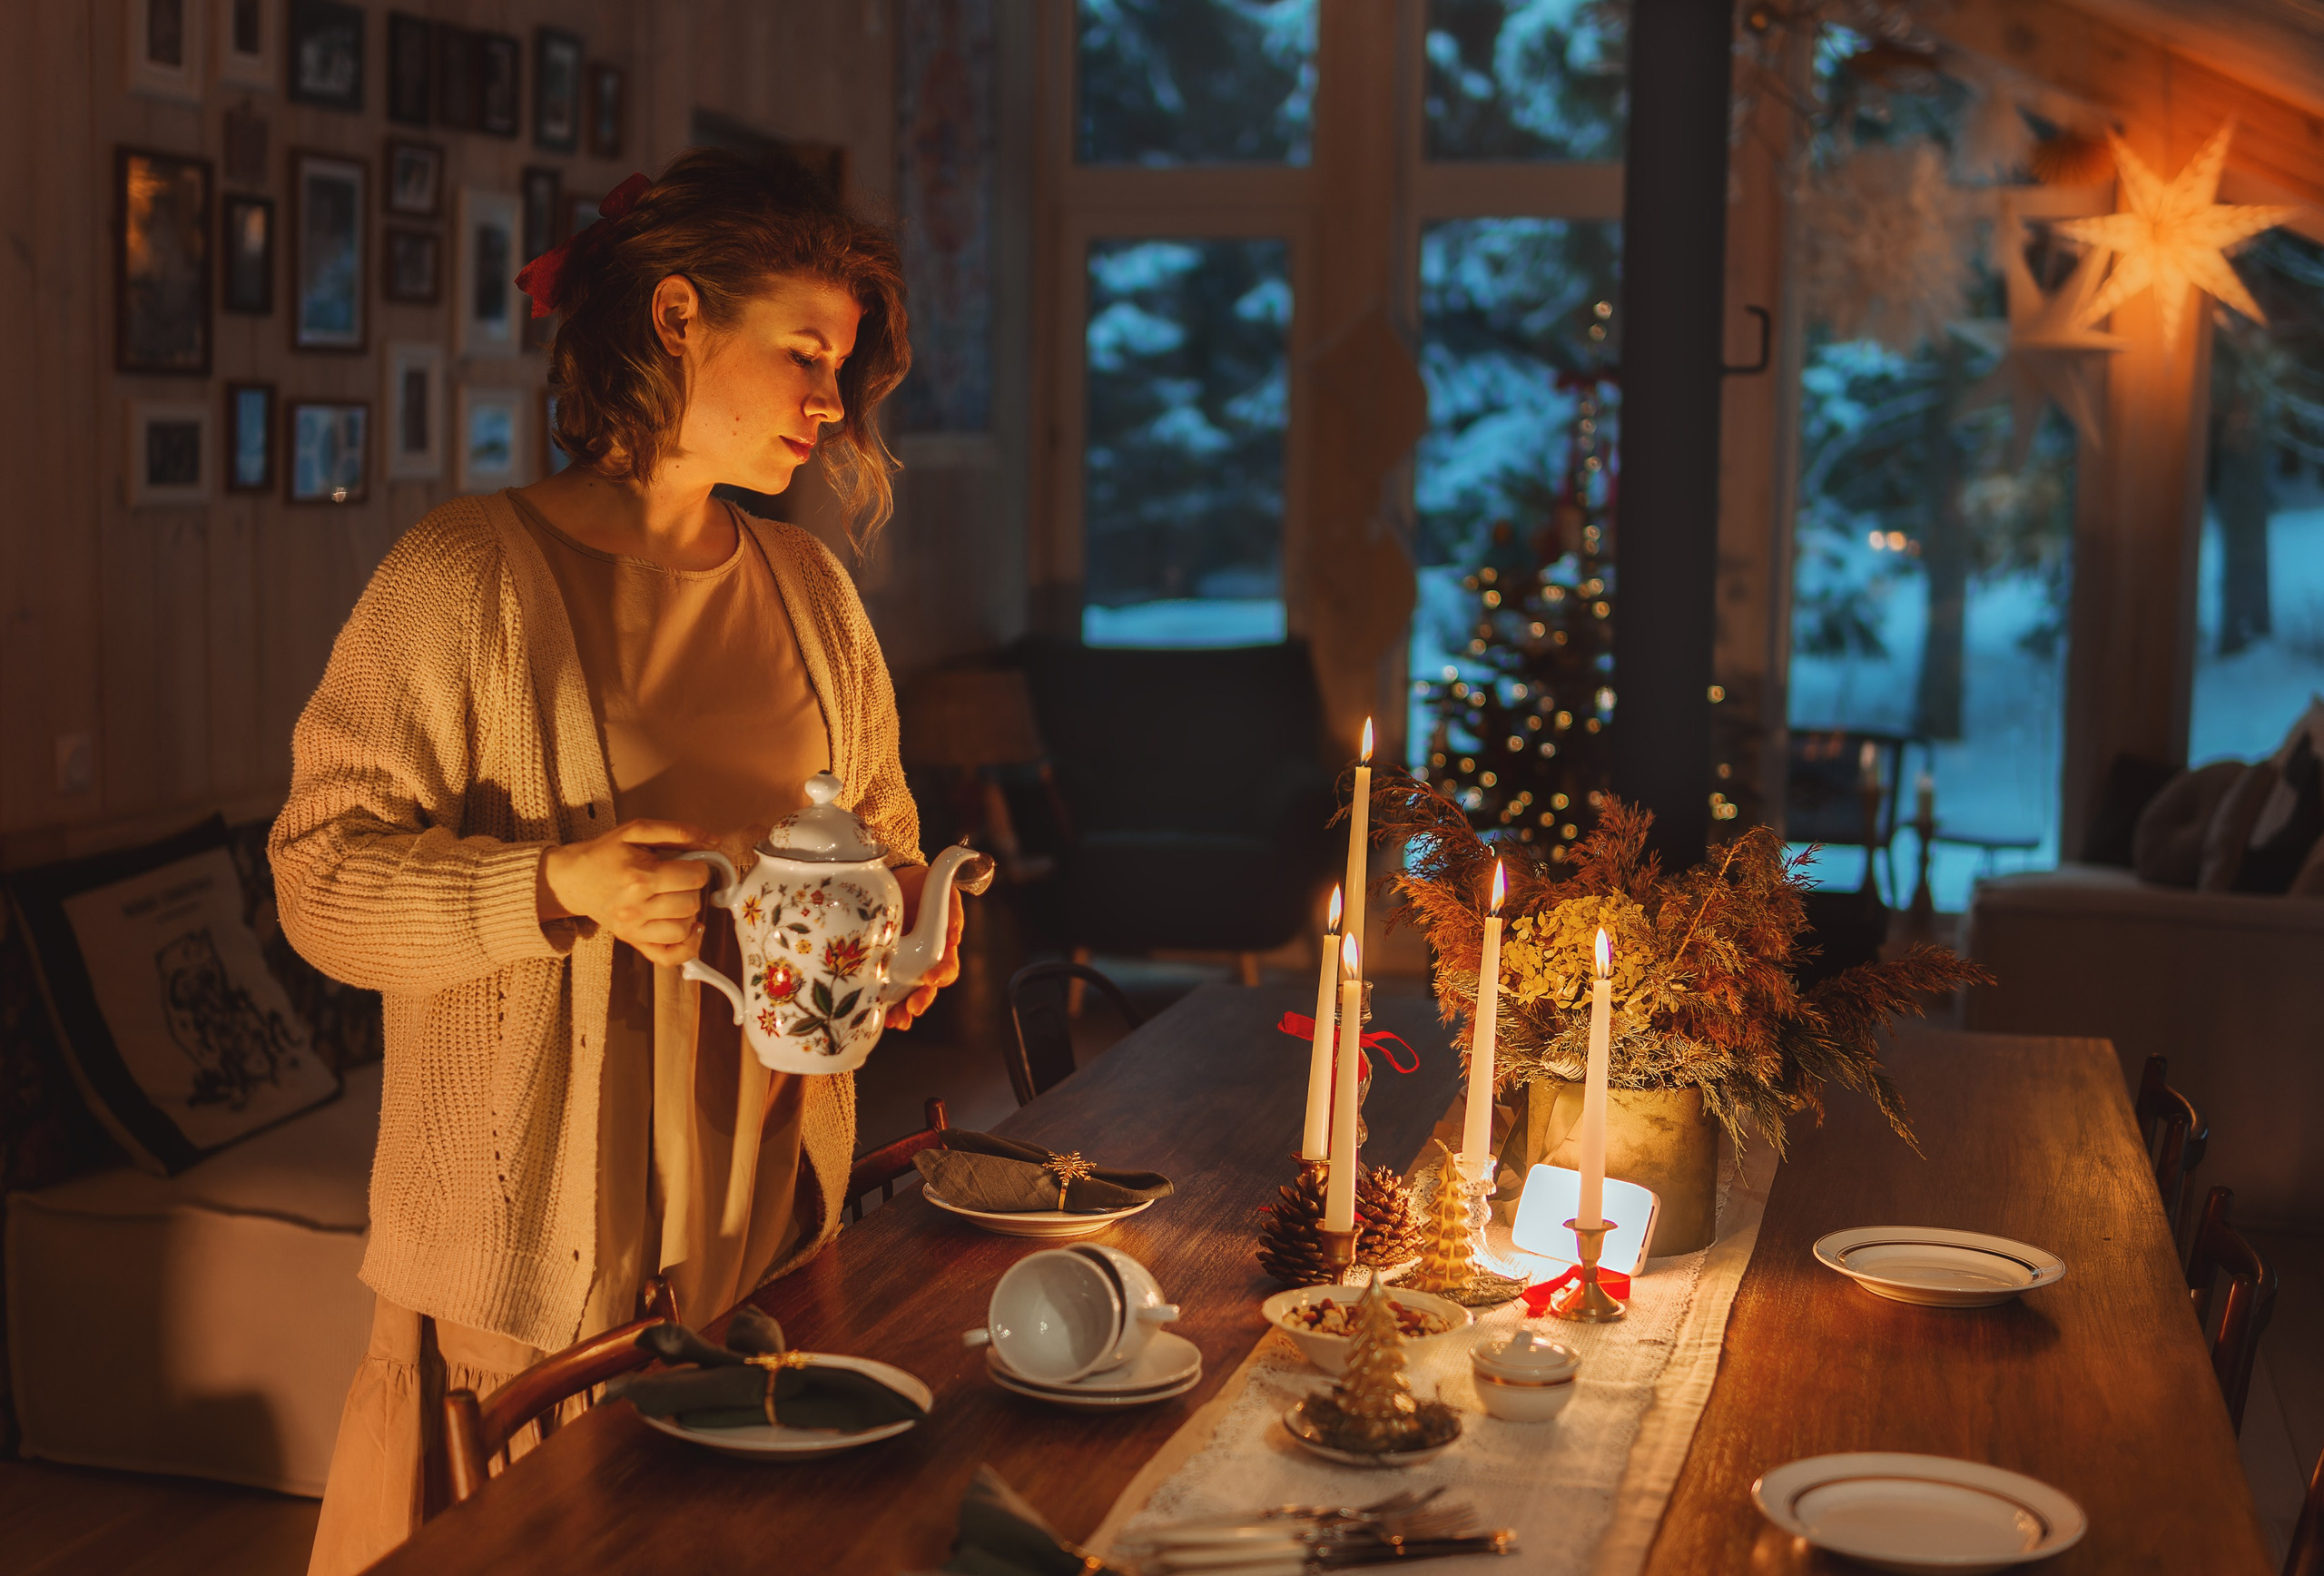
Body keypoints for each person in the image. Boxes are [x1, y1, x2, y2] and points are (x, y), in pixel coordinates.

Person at [273, 149, 957, 1574]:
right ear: (676, 318)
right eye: (807, 353)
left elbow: (879, 828)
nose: (832, 401)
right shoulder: (461, 578)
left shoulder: (810, 589)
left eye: (842, 364)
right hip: (536, 1262)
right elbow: (320, 880)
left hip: (769, 1220)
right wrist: (550, 887)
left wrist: (900, 928)